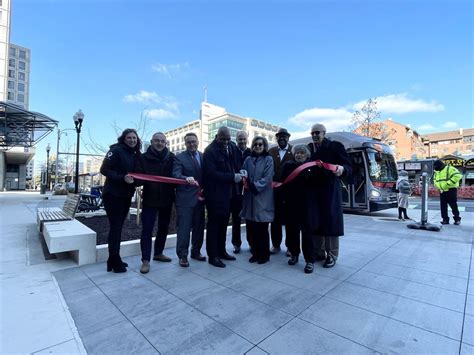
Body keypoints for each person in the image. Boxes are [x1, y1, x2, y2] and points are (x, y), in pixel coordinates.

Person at [307, 123, 351, 271]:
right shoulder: (308, 148)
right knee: (316, 221)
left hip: (330, 190)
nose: (314, 135)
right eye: (312, 133)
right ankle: (318, 252)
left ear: (324, 133)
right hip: (313, 191)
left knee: (331, 222)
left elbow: (348, 165)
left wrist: (342, 169)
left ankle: (332, 255)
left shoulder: (335, 146)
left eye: (317, 132)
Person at [100, 128, 142, 273]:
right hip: (113, 194)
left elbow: (136, 175)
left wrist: (136, 181)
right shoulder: (116, 150)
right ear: (124, 139)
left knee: (118, 227)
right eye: (129, 137)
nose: (132, 140)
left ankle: (113, 259)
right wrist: (122, 177)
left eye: (134, 138)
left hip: (125, 195)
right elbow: (104, 169)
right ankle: (114, 259)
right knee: (116, 226)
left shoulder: (136, 154)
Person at [136, 132, 175, 274]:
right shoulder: (144, 158)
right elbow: (139, 176)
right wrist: (134, 179)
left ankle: (158, 253)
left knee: (164, 228)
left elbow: (176, 175)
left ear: (166, 143)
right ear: (151, 142)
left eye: (162, 141)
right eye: (157, 141)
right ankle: (145, 260)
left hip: (167, 198)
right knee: (147, 229)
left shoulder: (171, 157)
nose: (159, 143)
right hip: (150, 199)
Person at [203, 126, 242, 268]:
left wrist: (240, 171)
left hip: (229, 194)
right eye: (222, 139)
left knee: (224, 225)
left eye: (227, 139)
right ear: (216, 136)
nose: (225, 142)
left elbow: (236, 162)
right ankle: (212, 256)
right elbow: (211, 174)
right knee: (214, 226)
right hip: (215, 195)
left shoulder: (231, 146)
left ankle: (221, 251)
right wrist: (233, 177)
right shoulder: (210, 151)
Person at [280, 144, 317, 272]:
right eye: (297, 153)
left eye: (302, 152)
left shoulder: (312, 167)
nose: (299, 155)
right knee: (292, 232)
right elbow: (282, 183)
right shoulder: (287, 166)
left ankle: (310, 260)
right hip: (291, 205)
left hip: (307, 206)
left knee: (307, 234)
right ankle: (294, 254)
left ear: (307, 154)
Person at [172, 133, 206, 267]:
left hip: (201, 199)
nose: (192, 144)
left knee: (199, 227)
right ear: (185, 144)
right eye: (189, 142)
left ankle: (196, 252)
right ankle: (183, 255)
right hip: (185, 200)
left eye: (194, 141)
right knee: (184, 229)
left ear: (198, 141)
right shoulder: (179, 158)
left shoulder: (204, 156)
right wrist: (185, 178)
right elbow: (175, 174)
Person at [240, 136, 274, 264]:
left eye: (260, 144)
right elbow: (243, 171)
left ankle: (264, 255)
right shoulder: (248, 159)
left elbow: (268, 176)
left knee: (262, 228)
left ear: (264, 146)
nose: (258, 146)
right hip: (249, 198)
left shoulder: (268, 159)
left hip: (262, 197)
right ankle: (255, 253)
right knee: (251, 228)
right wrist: (243, 176)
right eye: (255, 144)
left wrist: (254, 186)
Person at [268, 128, 293, 255]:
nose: (281, 138)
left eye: (284, 136)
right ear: (276, 138)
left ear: (288, 138)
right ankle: (276, 245)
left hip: (289, 192)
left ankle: (290, 247)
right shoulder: (271, 151)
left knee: (290, 220)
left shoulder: (293, 150)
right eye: (279, 136)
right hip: (274, 191)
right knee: (275, 220)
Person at [231, 130, 252, 254]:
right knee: (236, 218)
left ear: (247, 139)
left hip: (249, 190)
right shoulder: (232, 152)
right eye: (240, 139)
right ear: (236, 139)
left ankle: (251, 242)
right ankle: (236, 244)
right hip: (235, 190)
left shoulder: (251, 152)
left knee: (249, 218)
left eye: (244, 139)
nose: (242, 141)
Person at [433, 159, 462, 225]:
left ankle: (457, 219)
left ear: (440, 165)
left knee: (453, 205)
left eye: (437, 167)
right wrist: (437, 186)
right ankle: (445, 219)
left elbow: (458, 176)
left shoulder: (449, 168)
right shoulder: (437, 171)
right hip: (442, 190)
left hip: (450, 189)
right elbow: (435, 180)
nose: (436, 168)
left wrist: (448, 184)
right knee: (443, 206)